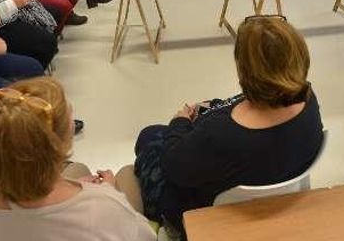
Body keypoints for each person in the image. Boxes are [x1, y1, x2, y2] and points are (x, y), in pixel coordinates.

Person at [126, 16, 324, 235]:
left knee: (149, 135)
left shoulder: (222, 134)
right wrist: (216, 107)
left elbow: (173, 166)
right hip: (279, 185)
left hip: (207, 211)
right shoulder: (308, 99)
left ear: (244, 69)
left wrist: (180, 120)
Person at [0, 78, 155, 241]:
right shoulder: (102, 209)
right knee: (127, 173)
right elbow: (147, 236)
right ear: (61, 145)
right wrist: (107, 193)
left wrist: (75, 189)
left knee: (78, 169)